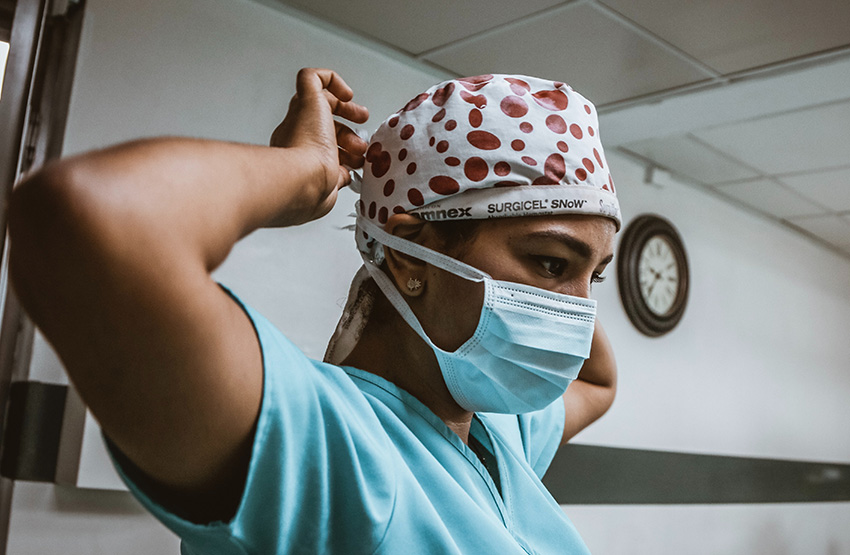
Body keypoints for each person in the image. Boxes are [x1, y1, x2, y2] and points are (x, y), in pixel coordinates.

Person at [8, 68, 620, 554]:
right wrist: (307, 171)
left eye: (594, 276)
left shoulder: (497, 433)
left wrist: (573, 241)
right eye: (549, 263)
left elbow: (597, 381)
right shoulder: (327, 449)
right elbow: (89, 218)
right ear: (410, 257)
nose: (580, 313)